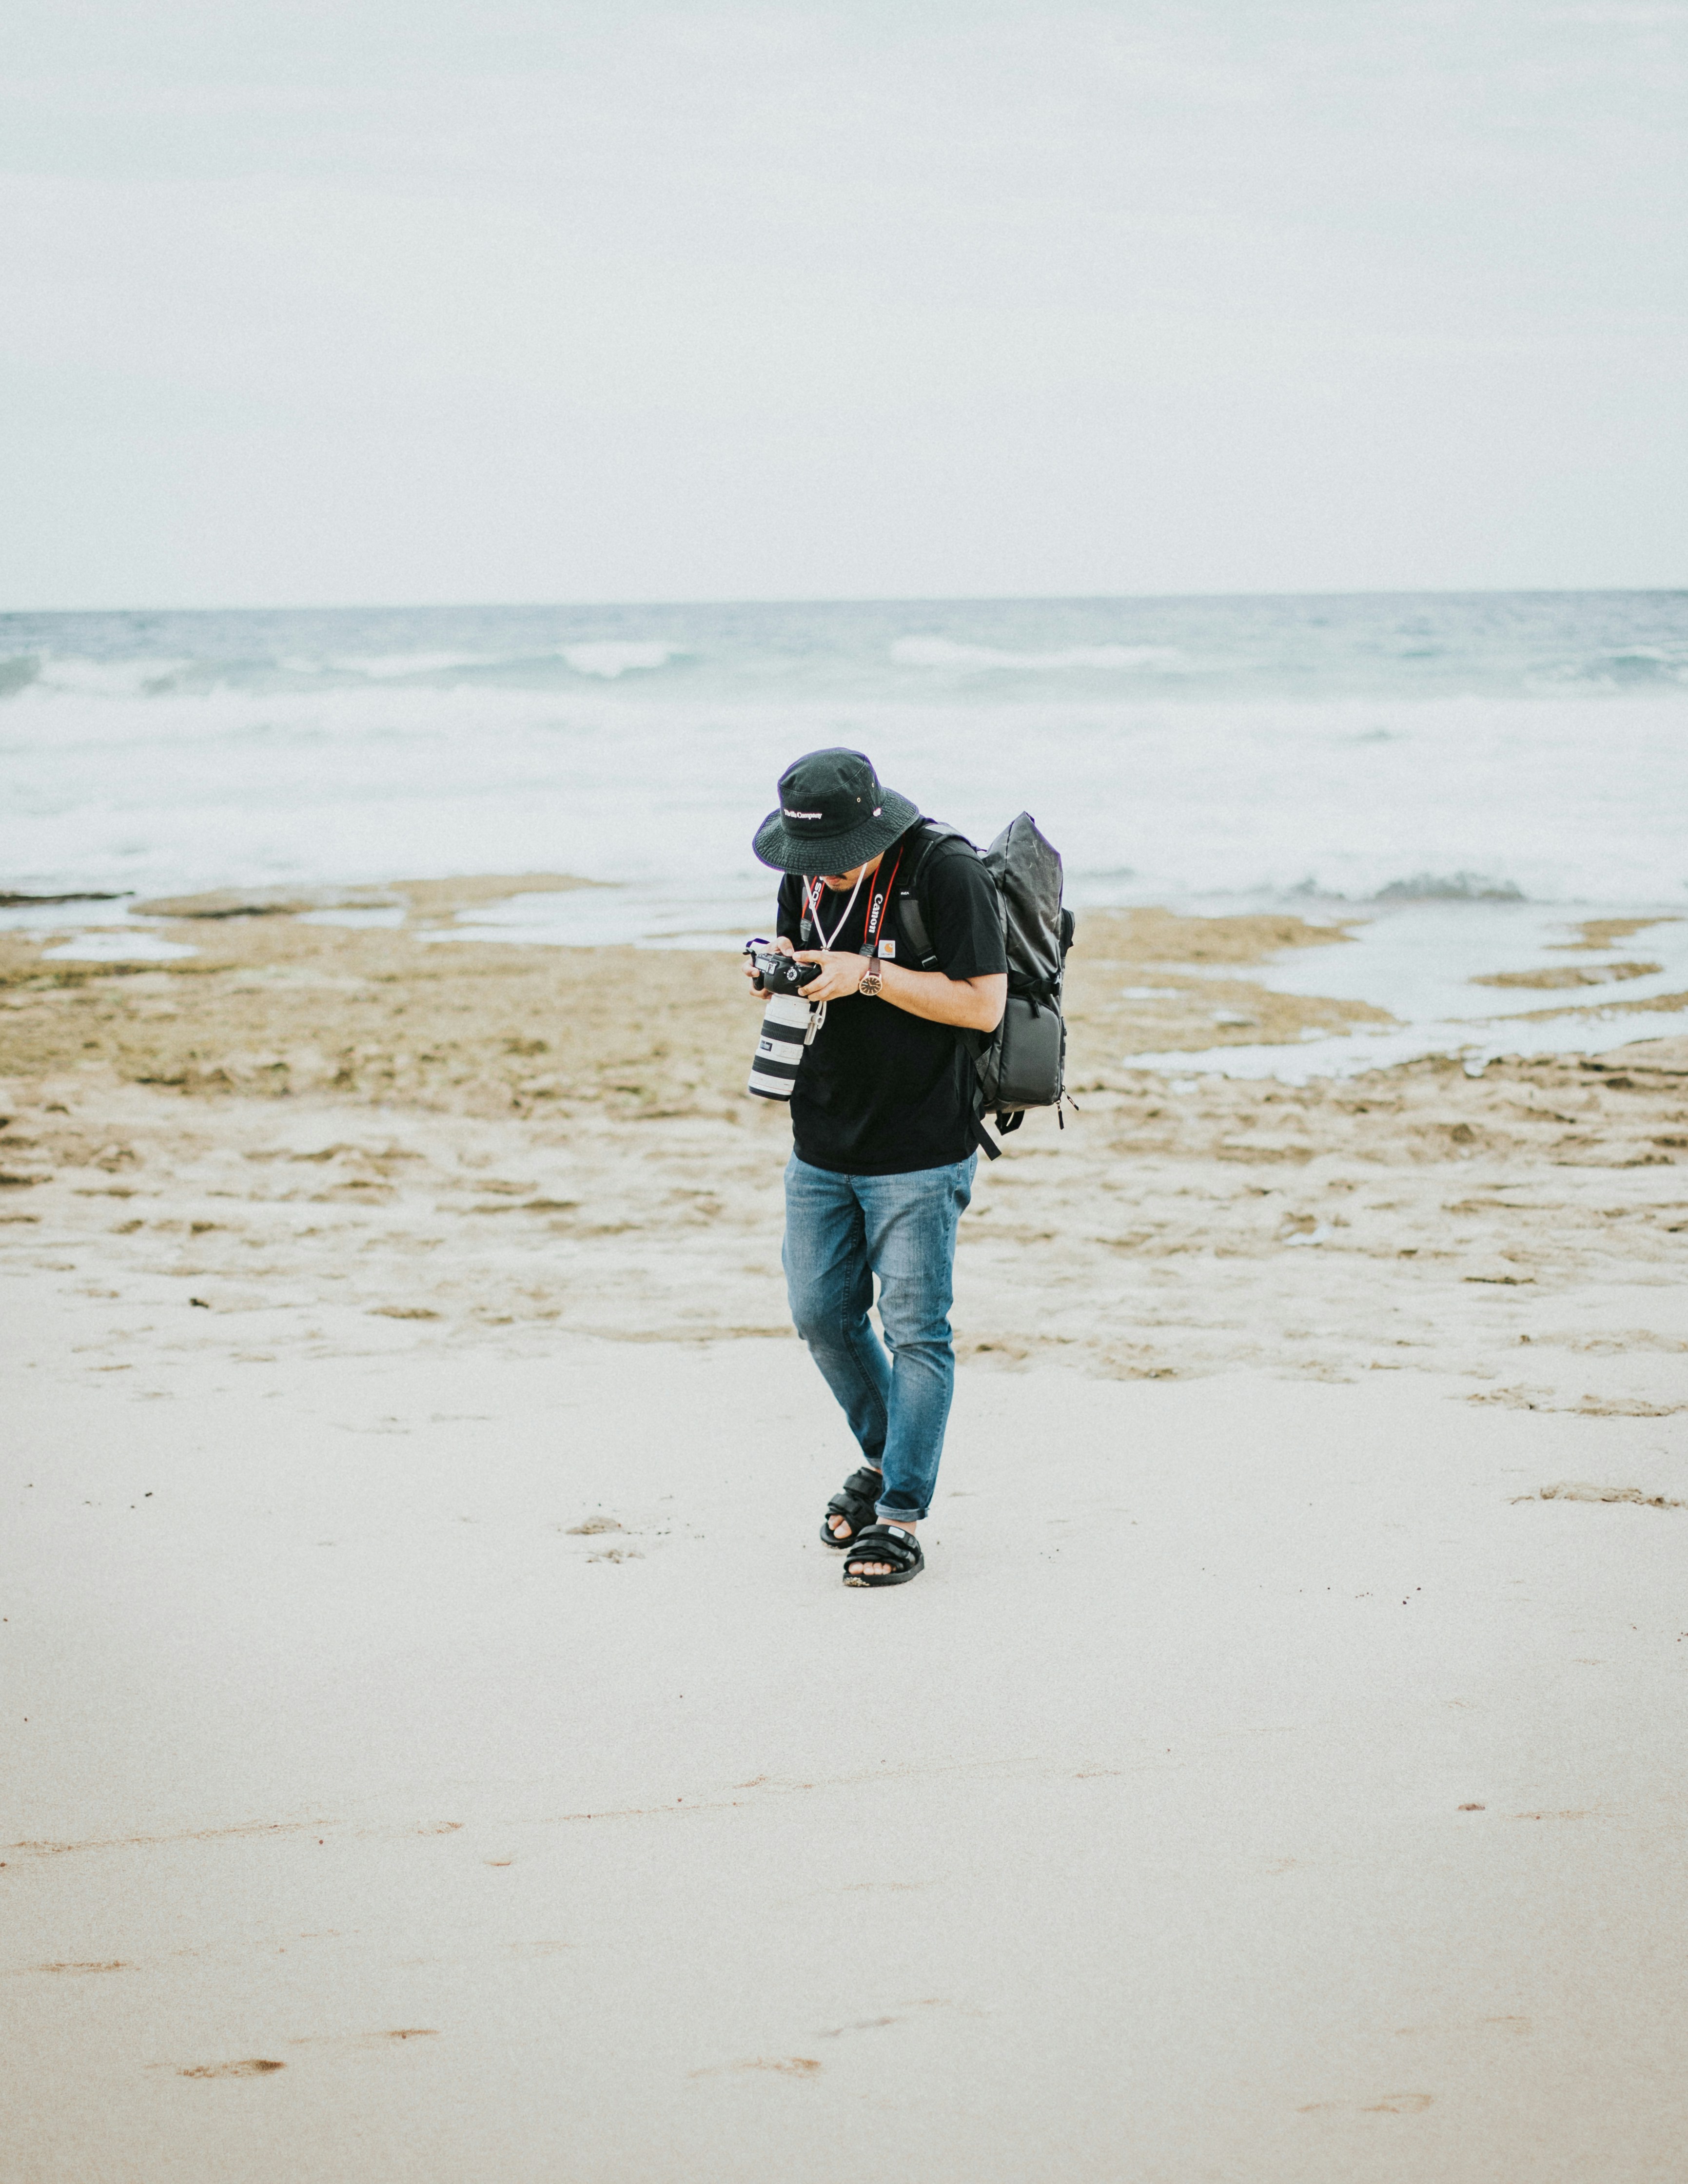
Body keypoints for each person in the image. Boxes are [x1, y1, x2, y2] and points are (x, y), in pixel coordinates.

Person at [748, 747, 1007, 1588]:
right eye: (802, 863)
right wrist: (781, 976)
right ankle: (885, 1456)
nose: (812, 877)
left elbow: (981, 1003)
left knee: (916, 1331)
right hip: (820, 1136)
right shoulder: (806, 872)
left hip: (920, 1146)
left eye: (828, 861)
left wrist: (865, 975)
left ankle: (897, 1514)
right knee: (820, 1314)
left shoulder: (945, 871)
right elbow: (807, 951)